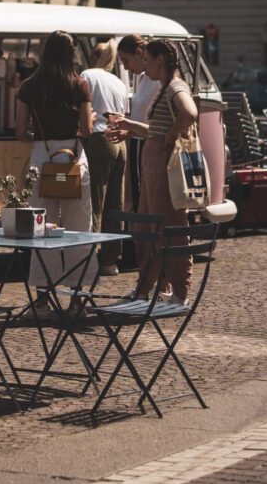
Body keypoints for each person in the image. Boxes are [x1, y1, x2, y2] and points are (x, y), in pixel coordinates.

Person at [107, 38, 198, 305]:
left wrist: (171, 135)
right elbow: (154, 131)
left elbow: (189, 113)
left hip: (164, 170)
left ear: (160, 59)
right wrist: (129, 127)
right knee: (147, 227)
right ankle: (148, 287)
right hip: (152, 169)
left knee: (171, 227)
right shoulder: (163, 87)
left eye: (148, 60)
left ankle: (180, 290)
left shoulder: (175, 86)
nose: (144, 66)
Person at [15, 30, 93, 292]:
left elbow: (19, 132)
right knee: (79, 227)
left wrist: (40, 140)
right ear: (72, 54)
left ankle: (43, 293)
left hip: (42, 157)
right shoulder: (79, 84)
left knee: (41, 227)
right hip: (73, 158)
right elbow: (88, 129)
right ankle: (78, 292)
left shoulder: (29, 86)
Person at [81, 39, 128, 275]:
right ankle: (111, 260)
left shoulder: (87, 75)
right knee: (115, 202)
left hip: (99, 139)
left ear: (92, 57)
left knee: (95, 201)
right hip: (120, 142)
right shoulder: (118, 81)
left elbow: (83, 109)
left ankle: (90, 256)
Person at [117, 33, 162, 209]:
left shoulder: (156, 81)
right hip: (138, 143)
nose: (126, 68)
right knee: (139, 195)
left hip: (146, 143)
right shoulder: (143, 78)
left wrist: (128, 125)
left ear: (138, 53)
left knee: (145, 195)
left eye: (126, 61)